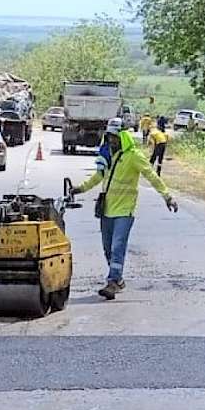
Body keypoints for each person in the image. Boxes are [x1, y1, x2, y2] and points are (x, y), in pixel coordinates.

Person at [74, 121, 178, 300]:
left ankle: (113, 281)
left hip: (125, 210)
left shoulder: (134, 156)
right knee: (107, 248)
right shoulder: (108, 156)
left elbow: (151, 176)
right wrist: (80, 189)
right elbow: (98, 177)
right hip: (107, 209)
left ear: (122, 137)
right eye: (109, 137)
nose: (111, 141)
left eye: (114, 137)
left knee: (117, 247)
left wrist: (167, 196)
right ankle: (119, 279)